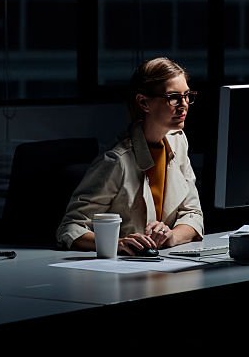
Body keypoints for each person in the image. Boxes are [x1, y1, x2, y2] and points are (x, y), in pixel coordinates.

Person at [56, 57, 204, 254]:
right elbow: (70, 228)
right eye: (173, 97)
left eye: (187, 95)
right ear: (144, 102)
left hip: (164, 260)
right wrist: (117, 243)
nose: (184, 104)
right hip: (123, 266)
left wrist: (172, 236)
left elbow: (193, 213)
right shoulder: (116, 161)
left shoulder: (178, 141)